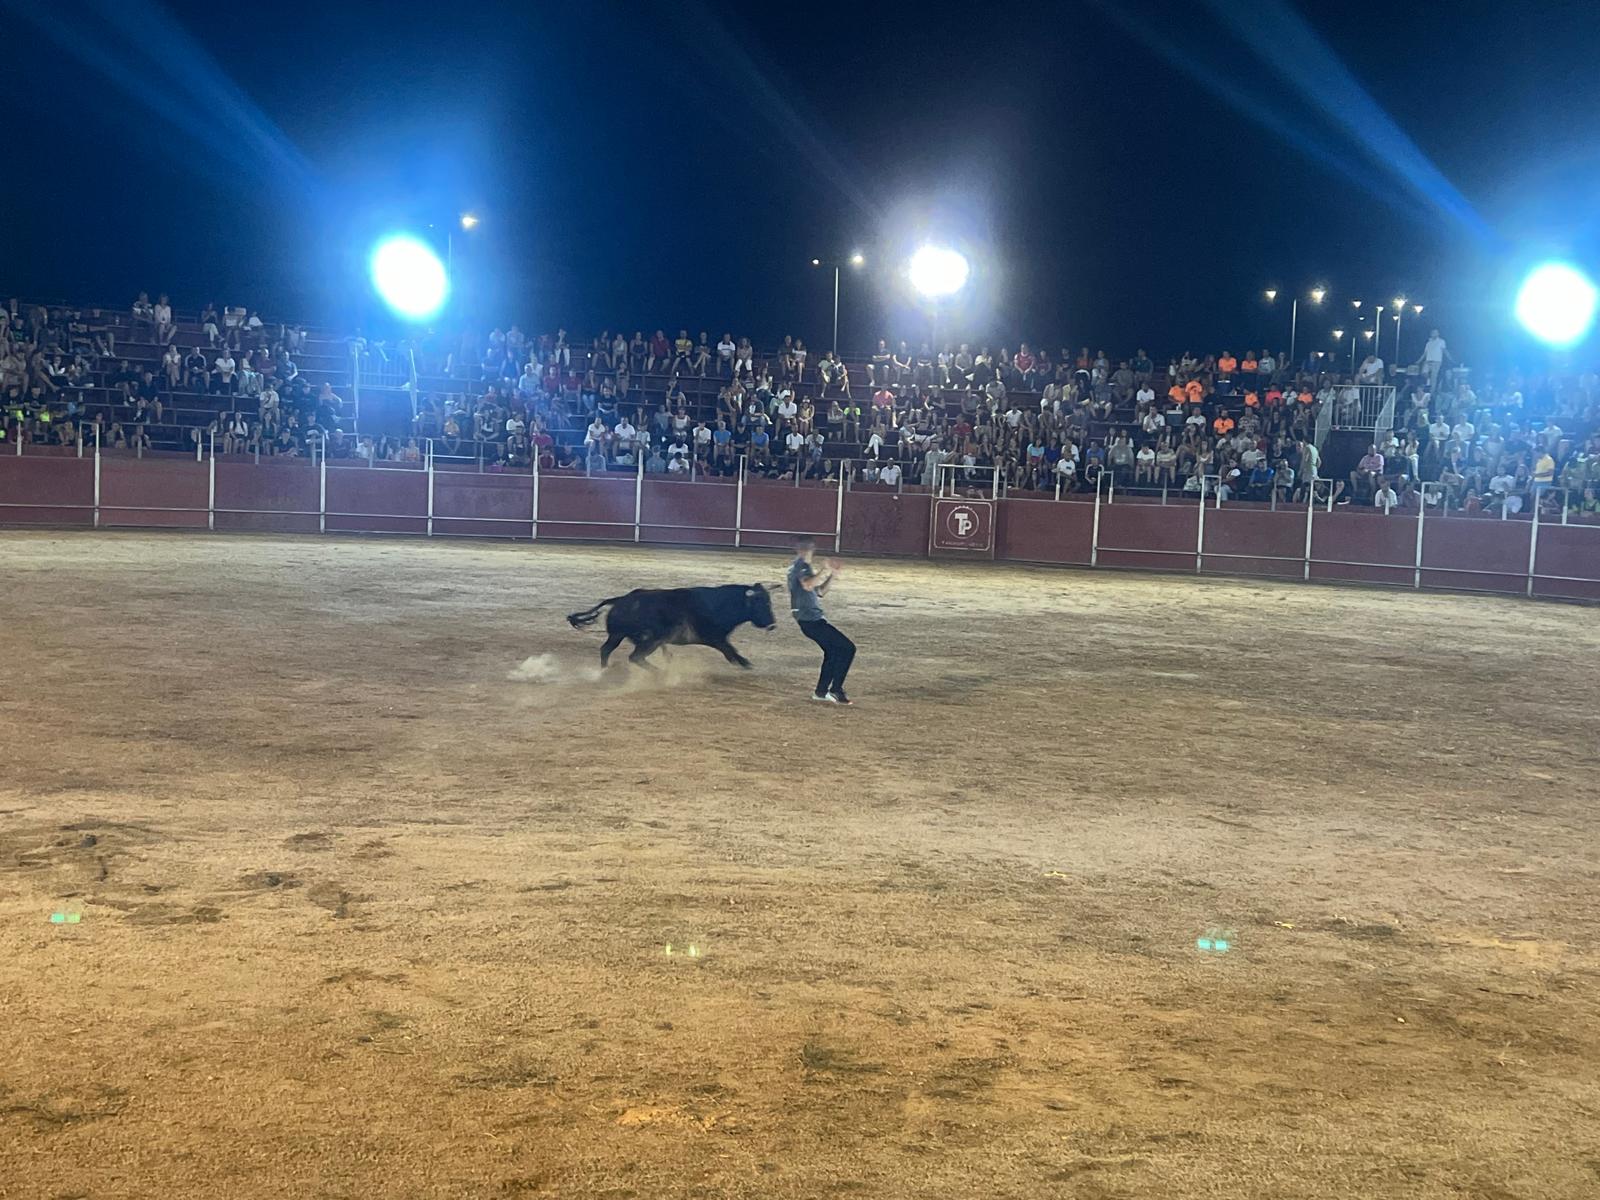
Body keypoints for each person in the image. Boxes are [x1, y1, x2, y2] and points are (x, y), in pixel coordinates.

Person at [787, 536, 855, 705]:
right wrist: (824, 569)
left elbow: (819, 592)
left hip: (811, 620)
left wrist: (832, 575)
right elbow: (808, 585)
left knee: (833, 652)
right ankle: (835, 690)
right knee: (847, 648)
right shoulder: (800, 567)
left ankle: (822, 691)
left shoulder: (804, 567)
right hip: (811, 621)